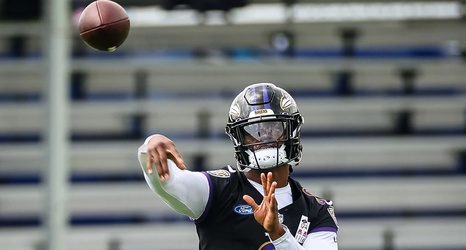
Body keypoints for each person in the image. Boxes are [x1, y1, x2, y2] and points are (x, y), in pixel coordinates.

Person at [137, 83, 339, 250]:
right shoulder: (218, 189)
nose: (265, 135)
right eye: (254, 131)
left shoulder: (317, 211)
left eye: (273, 128)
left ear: (291, 132)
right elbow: (167, 182)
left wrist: (278, 233)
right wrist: (150, 146)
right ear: (239, 137)